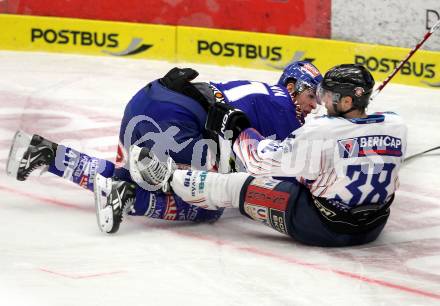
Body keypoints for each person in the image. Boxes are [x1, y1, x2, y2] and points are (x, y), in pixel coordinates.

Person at [7, 61, 323, 233]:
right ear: (292, 87)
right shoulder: (285, 112)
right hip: (177, 118)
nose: (313, 106)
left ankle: (46, 153)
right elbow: (286, 174)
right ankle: (131, 197)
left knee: (125, 174)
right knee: (208, 204)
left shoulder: (267, 95)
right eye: (311, 97)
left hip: (147, 101)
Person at [122, 64, 407, 247]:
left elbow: (261, 161)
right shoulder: (396, 124)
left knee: (236, 184)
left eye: (329, 96)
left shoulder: (320, 131)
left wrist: (241, 128)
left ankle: (168, 177)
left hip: (323, 227)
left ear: (346, 101)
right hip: (374, 228)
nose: (322, 104)